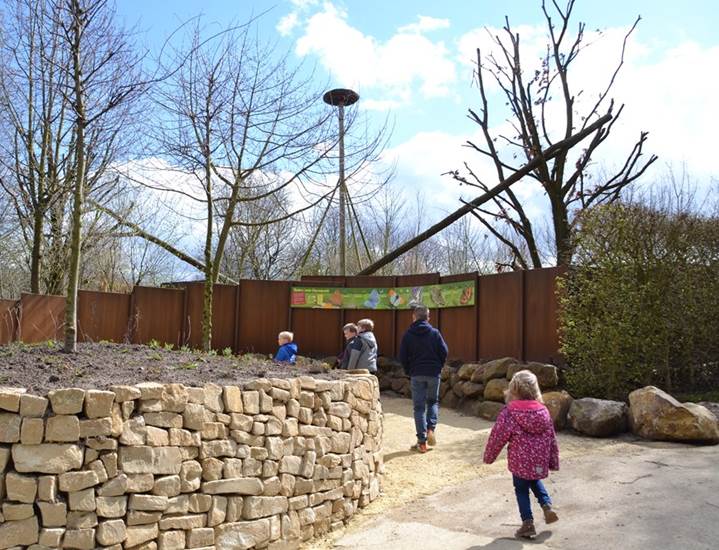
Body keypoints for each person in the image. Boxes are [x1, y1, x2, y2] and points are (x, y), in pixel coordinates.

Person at [483, 370, 560, 539]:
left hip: (519, 461)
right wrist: (553, 461)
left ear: (513, 390)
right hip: (538, 460)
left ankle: (527, 523)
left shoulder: (509, 412)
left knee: (521, 490)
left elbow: (497, 436)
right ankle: (547, 506)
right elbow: (551, 438)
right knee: (534, 480)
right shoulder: (544, 411)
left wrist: (489, 457)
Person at [399, 305, 448, 453]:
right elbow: (444, 351)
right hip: (433, 373)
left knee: (418, 408)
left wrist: (409, 370)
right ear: (428, 317)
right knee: (433, 402)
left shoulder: (408, 334)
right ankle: (430, 429)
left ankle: (421, 442)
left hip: (416, 373)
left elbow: (402, 356)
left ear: (414, 317)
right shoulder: (435, 333)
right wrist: (439, 365)